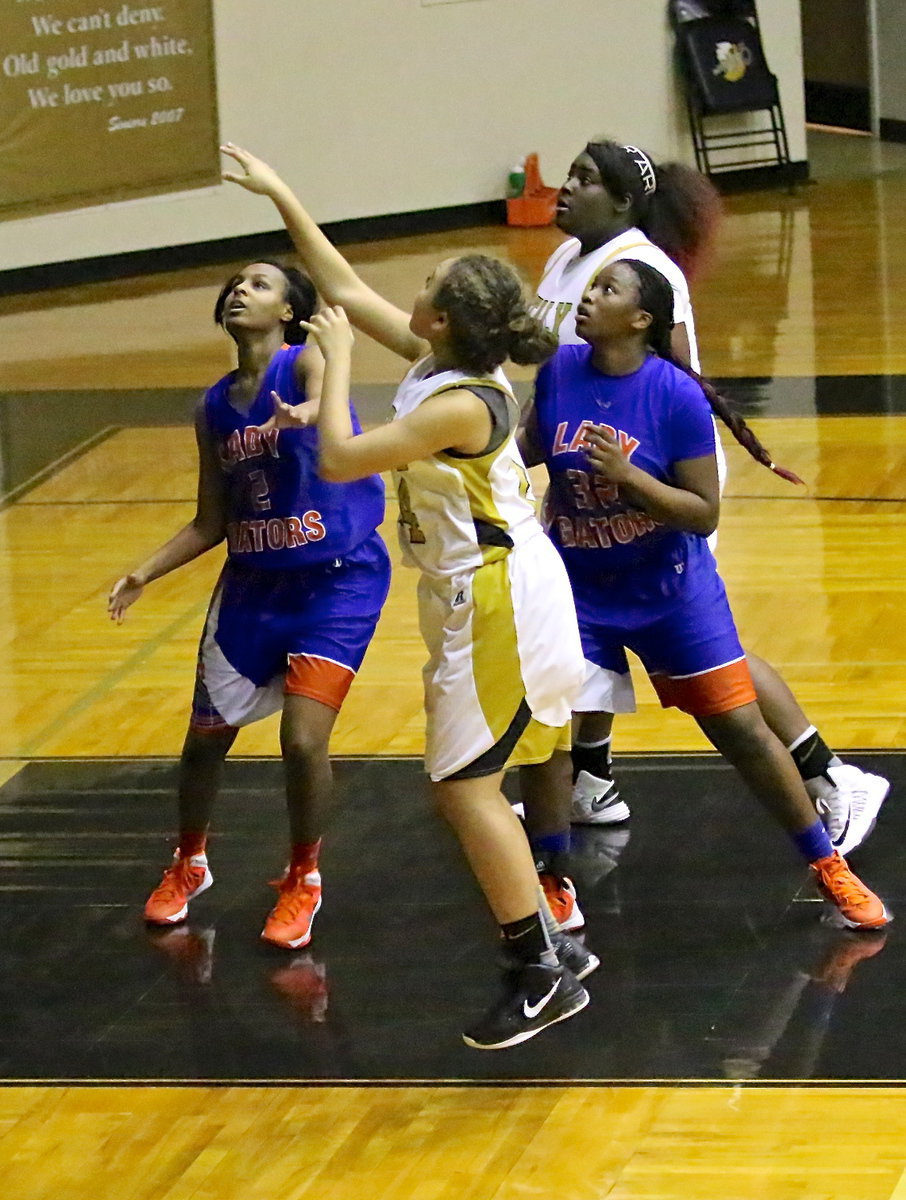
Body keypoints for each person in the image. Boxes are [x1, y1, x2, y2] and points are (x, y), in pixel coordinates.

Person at [220, 142, 595, 1050]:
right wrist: (280, 191)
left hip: (499, 596)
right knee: (471, 784)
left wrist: (333, 372)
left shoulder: (467, 400)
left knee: (463, 788)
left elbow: (345, 455)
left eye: (425, 285)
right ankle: (551, 942)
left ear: (443, 320)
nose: (410, 293)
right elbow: (341, 287)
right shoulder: (441, 366)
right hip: (478, 594)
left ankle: (538, 971)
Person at [523, 139, 888, 926]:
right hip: (580, 557)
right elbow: (527, 422)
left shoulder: (655, 311)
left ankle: (828, 785)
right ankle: (580, 802)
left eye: (586, 178)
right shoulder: (564, 285)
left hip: (664, 510)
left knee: (725, 700)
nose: (566, 187)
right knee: (555, 706)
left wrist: (636, 475)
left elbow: (678, 386)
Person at [108, 260, 391, 951]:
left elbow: (325, 376)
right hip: (252, 586)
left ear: (291, 311)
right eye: (236, 282)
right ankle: (189, 862)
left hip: (337, 582)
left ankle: (304, 877)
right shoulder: (212, 406)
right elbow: (212, 518)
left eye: (261, 284)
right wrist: (144, 571)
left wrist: (309, 409)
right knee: (204, 743)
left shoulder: (304, 365)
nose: (241, 290)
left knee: (301, 739)